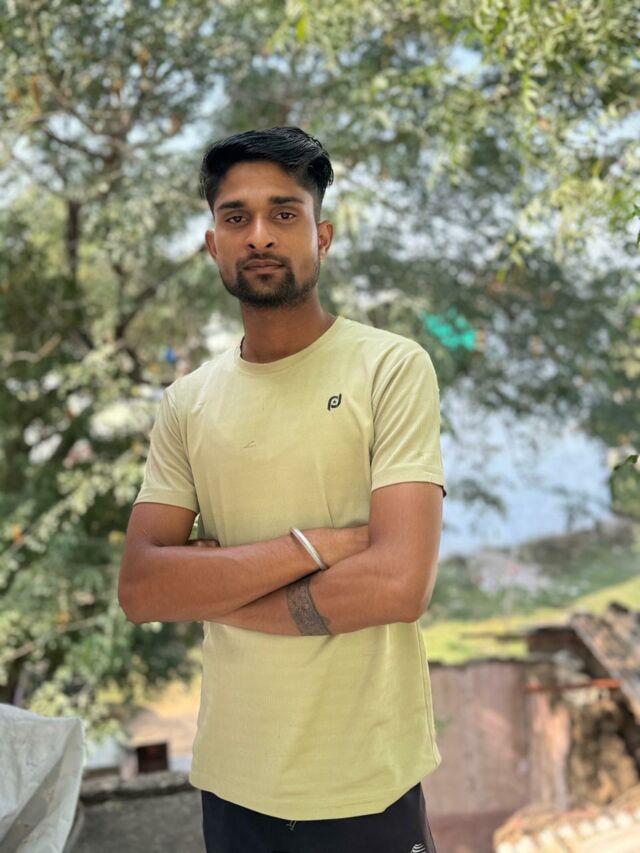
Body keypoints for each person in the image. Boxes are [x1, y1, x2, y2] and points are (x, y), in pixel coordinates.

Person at [118, 126, 447, 853]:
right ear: (214, 244)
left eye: (284, 213)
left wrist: (213, 588)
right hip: (235, 786)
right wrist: (319, 547)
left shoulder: (390, 368)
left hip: (366, 783)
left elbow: (398, 584)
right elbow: (142, 588)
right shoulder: (187, 403)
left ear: (321, 236)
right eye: (236, 216)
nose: (259, 235)